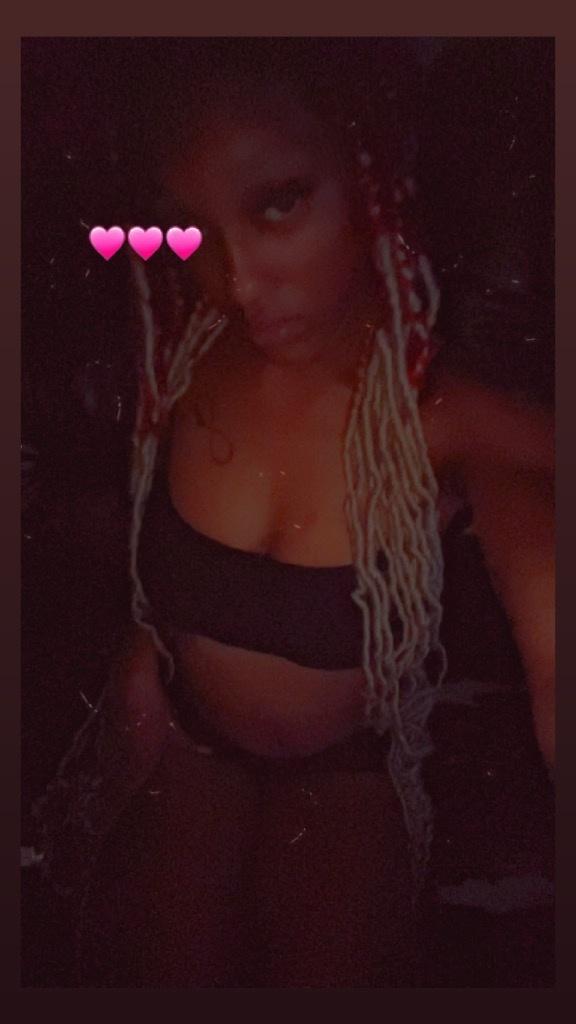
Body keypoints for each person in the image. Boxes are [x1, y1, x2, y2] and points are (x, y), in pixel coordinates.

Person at [34, 38, 554, 988]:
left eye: (277, 202)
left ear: (371, 173)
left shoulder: (439, 413)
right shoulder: (183, 353)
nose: (237, 282)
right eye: (191, 229)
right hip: (179, 738)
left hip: (345, 771)